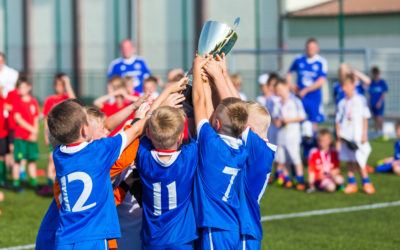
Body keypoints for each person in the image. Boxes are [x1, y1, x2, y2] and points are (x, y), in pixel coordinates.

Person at [46, 98, 150, 249]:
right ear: (85, 130)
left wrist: (133, 107)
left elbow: (107, 127)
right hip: (94, 236)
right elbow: (135, 130)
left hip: (65, 237)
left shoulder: (59, 155)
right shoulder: (98, 151)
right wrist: (142, 115)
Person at [192, 55, 248, 249]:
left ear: (215, 123)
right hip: (232, 224)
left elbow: (199, 101)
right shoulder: (242, 147)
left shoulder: (211, 145)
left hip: (214, 226)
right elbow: (235, 110)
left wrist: (198, 68)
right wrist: (218, 75)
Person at [135, 106, 198, 248]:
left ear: (149, 133)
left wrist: (140, 117)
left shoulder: (143, 156)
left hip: (153, 239)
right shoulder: (188, 157)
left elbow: (139, 133)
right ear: (180, 136)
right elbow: (194, 136)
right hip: (181, 239)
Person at [240, 101, 276, 249]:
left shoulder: (259, 151)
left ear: (249, 129)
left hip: (245, 228)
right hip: (246, 226)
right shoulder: (258, 148)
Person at [335, 74, 375, 195]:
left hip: (357, 135)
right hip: (346, 135)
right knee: (349, 160)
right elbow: (338, 119)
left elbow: (365, 117)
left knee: (360, 160)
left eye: (347, 85)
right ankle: (352, 183)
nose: (345, 88)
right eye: (343, 86)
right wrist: (338, 133)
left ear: (353, 85)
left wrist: (364, 133)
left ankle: (366, 182)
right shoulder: (341, 102)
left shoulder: (360, 99)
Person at [39, 73, 76, 196]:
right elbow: (46, 118)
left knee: (65, 160)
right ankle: (50, 185)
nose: (58, 87)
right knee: (51, 159)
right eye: (57, 84)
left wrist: (67, 83)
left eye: (61, 85)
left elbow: (74, 101)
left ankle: (62, 185)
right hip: (53, 135)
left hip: (65, 134)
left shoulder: (66, 97)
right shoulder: (50, 100)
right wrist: (45, 134)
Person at [273, 79, 306, 191]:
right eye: (277, 90)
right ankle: (287, 179)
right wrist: (277, 121)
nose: (279, 92)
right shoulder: (277, 103)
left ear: (286, 88)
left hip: (293, 134)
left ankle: (300, 179)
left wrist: (289, 120)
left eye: (280, 89)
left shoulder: (295, 101)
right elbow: (275, 118)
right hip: (281, 134)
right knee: (283, 158)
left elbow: (302, 116)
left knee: (295, 156)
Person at [286, 38, 327, 126]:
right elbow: (289, 73)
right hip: (299, 96)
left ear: (317, 49)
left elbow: (321, 81)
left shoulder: (321, 62)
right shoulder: (299, 59)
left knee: (313, 122)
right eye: (309, 47)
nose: (310, 50)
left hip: (314, 97)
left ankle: (314, 139)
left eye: (313, 48)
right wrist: (292, 86)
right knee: (299, 119)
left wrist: (306, 90)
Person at [12, 76, 40, 192]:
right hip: (20, 138)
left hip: (31, 138)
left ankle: (33, 182)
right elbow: (18, 119)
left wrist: (35, 132)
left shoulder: (33, 102)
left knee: (32, 160)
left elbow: (36, 118)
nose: (21, 90)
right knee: (18, 161)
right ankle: (16, 183)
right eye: (19, 88)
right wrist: (31, 130)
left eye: (23, 87)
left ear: (29, 87)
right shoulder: (17, 102)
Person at [307, 129, 344, 193]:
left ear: (330, 141)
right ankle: (320, 186)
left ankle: (337, 185)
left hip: (332, 176)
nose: (322, 143)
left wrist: (333, 173)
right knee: (331, 188)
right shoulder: (314, 152)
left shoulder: (334, 152)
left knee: (340, 180)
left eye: (325, 141)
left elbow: (337, 168)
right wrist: (311, 183)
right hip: (320, 179)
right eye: (320, 141)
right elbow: (311, 170)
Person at [369, 66, 388, 133]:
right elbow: (370, 93)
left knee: (379, 117)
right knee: (375, 118)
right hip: (373, 103)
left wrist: (380, 102)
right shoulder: (371, 83)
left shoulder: (382, 82)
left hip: (379, 103)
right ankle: (377, 132)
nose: (375, 75)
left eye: (376, 73)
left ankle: (381, 131)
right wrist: (369, 103)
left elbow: (384, 93)